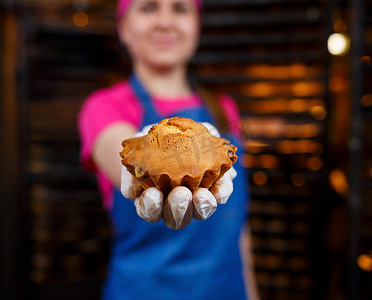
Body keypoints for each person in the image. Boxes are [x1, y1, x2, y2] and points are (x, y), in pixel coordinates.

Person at [78, 0, 256, 299]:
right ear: (123, 28)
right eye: (148, 8)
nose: (165, 21)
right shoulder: (104, 107)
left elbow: (238, 227)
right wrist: (139, 171)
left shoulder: (224, 110)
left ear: (197, 26)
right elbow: (121, 155)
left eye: (180, 9)